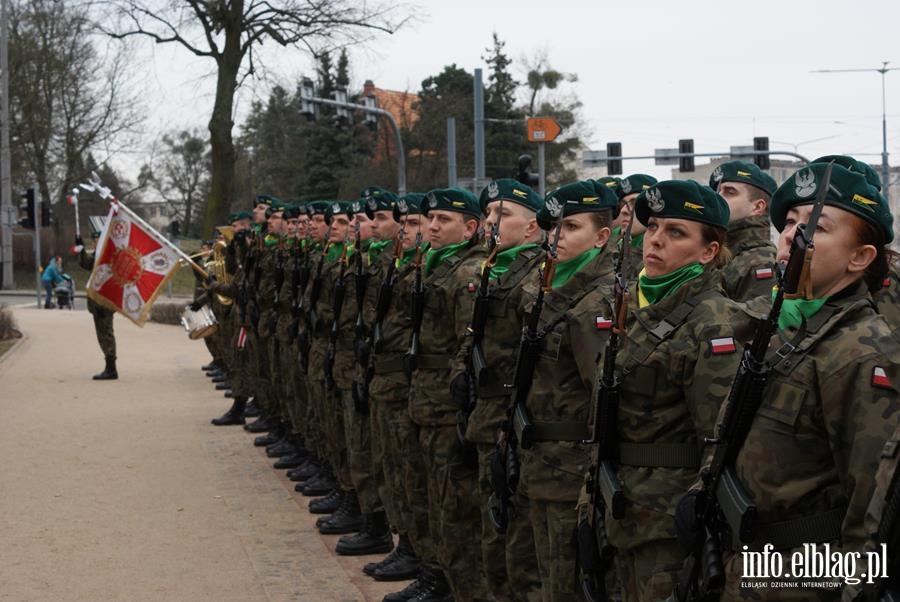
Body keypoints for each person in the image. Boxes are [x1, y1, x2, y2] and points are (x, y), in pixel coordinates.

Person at [692, 162, 900, 600]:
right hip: (742, 568)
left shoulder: (860, 351)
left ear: (859, 258)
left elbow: (873, 512)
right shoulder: (776, 326)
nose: (791, 235)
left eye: (816, 227)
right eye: (788, 223)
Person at [604, 180, 756, 600]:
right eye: (653, 227)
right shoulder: (635, 304)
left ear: (709, 252)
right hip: (624, 506)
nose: (655, 240)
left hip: (668, 521)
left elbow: (719, 436)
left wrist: (699, 518)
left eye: (675, 233)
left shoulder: (713, 322)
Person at [511, 179, 620, 601]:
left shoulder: (597, 301)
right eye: (554, 226)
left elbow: (603, 396)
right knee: (542, 576)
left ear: (602, 237)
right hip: (542, 463)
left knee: (566, 584)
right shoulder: (550, 287)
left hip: (570, 471)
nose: (557, 237)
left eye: (571, 227)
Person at [449, 178, 545, 601]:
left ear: (532, 229)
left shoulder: (538, 275)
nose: (490, 222)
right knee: (493, 537)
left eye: (502, 215)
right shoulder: (493, 268)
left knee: (518, 548)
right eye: (488, 214)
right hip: (484, 419)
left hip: (513, 426)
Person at [407, 187, 489, 601]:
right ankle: (435, 574)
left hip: (446, 407)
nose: (432, 226)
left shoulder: (467, 274)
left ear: (470, 228)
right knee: (429, 497)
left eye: (443, 220)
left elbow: (465, 346)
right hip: (427, 402)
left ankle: (455, 586)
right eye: (431, 219)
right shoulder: (437, 265)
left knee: (454, 508)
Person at [709, 160, 779, 302]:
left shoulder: (761, 261)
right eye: (717, 191)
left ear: (758, 207)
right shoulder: (716, 251)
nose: (718, 197)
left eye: (730, 192)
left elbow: (755, 321)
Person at [76, 233, 119, 380]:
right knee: (103, 334)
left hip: (104, 302)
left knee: (106, 333)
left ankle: (111, 369)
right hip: (99, 302)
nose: (94, 243)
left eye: (96, 240)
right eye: (93, 240)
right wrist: (81, 249)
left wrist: (103, 304)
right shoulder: (99, 254)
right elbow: (86, 264)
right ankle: (110, 367)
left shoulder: (107, 256)